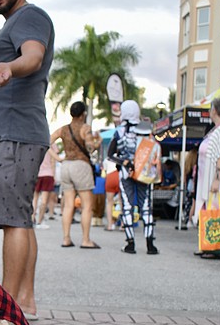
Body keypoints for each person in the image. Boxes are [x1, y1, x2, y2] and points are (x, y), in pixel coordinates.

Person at [0, 0, 55, 319]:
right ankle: (24, 302)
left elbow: (33, 57)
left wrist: (9, 67)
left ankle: (8, 309)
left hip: (12, 134)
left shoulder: (29, 17)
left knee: (13, 220)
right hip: (16, 133)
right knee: (20, 218)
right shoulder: (15, 23)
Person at [107, 100, 159, 255]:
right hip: (144, 173)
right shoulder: (146, 129)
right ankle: (150, 243)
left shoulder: (119, 131)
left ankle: (130, 243)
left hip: (125, 172)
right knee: (146, 206)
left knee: (127, 206)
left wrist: (124, 162)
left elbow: (110, 155)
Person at [49, 101, 100, 249]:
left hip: (66, 166)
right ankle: (85, 240)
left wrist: (57, 158)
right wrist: (97, 142)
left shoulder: (63, 129)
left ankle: (66, 238)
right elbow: (90, 148)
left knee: (68, 205)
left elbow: (47, 142)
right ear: (83, 113)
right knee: (87, 205)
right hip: (81, 165)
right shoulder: (85, 128)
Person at [194, 96, 220, 260]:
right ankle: (206, 245)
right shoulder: (216, 130)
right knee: (208, 212)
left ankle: (215, 247)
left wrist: (217, 179)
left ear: (216, 111)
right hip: (208, 178)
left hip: (216, 181)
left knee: (215, 213)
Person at [31, 145, 58, 229]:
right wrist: (54, 175)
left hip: (37, 173)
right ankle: (40, 221)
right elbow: (53, 161)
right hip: (48, 173)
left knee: (34, 199)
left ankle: (32, 219)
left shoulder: (37, 142)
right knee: (44, 200)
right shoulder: (52, 145)